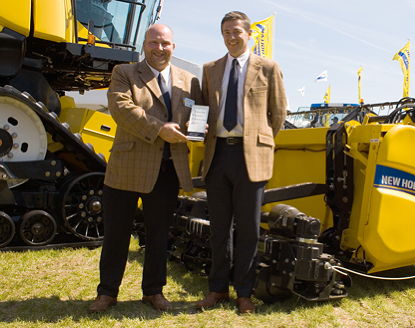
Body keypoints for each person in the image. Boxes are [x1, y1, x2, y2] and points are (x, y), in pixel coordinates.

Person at [89, 24, 201, 312]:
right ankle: (107, 292)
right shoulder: (124, 73)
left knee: (159, 234)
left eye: (165, 43)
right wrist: (159, 129)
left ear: (173, 47)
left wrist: (202, 129)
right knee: (116, 234)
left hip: (167, 171)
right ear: (144, 45)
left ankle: (153, 292)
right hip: (128, 166)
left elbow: (197, 118)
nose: (159, 48)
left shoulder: (190, 82)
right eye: (154, 42)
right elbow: (122, 110)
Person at [196, 11, 287, 314]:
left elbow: (278, 114)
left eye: (236, 32)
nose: (231, 37)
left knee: (249, 229)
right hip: (217, 155)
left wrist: (257, 141)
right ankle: (217, 289)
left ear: (249, 34)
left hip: (251, 158)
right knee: (219, 228)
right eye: (226, 32)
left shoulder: (269, 68)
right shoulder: (210, 69)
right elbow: (204, 110)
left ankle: (244, 293)